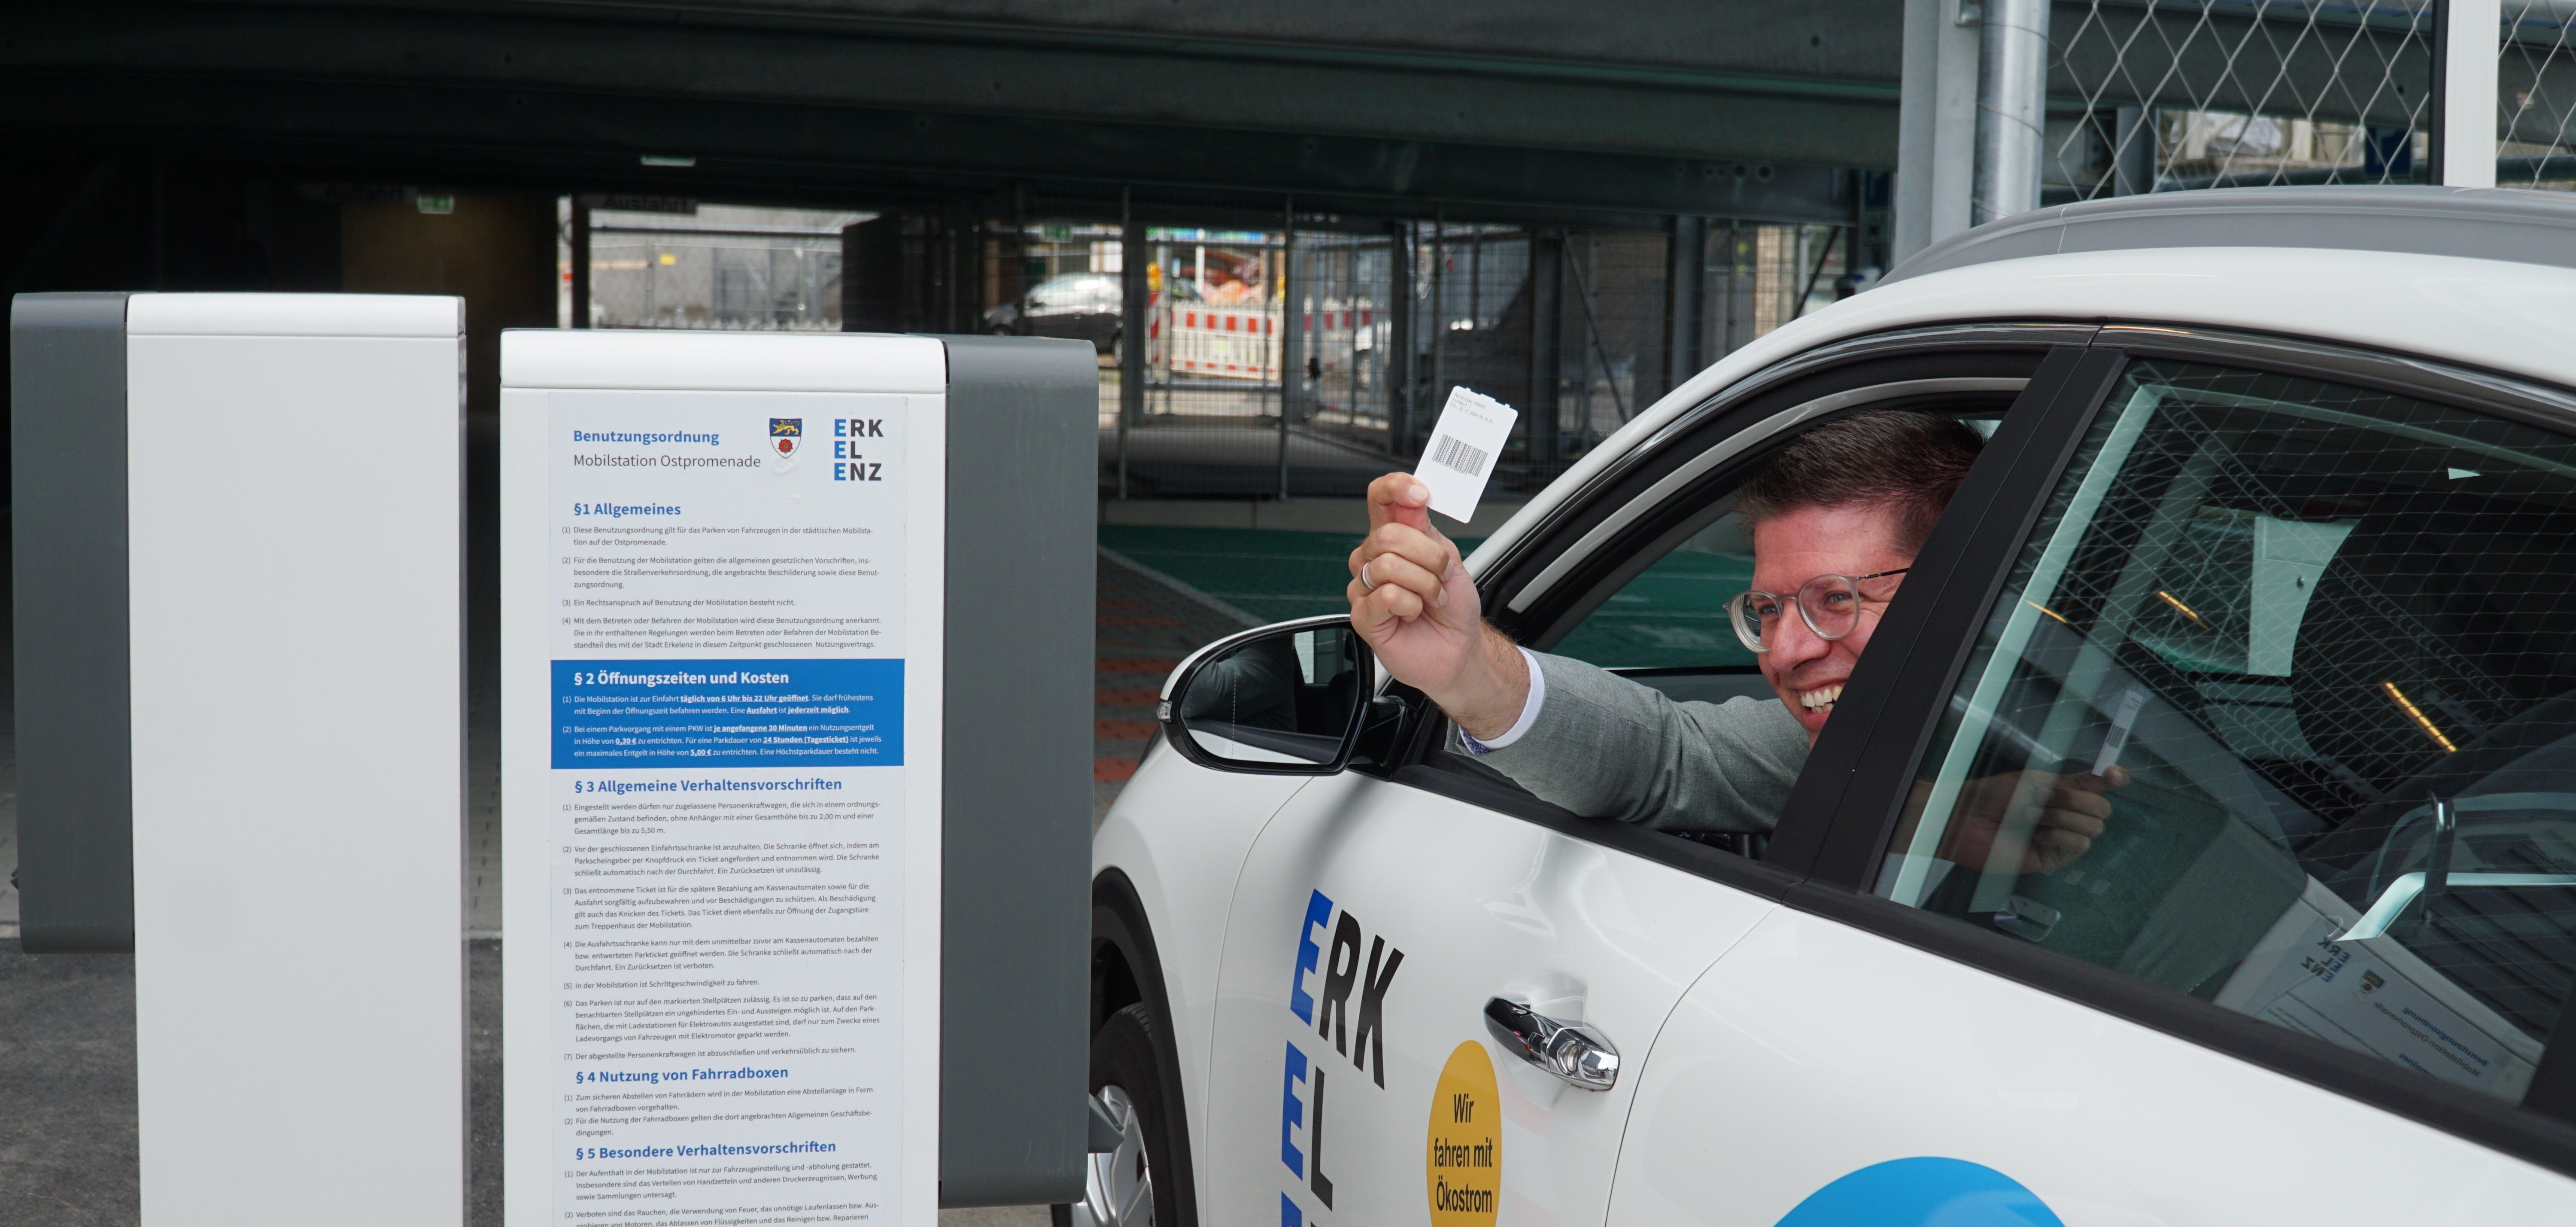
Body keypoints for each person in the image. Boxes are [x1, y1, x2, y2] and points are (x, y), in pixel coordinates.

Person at [1346, 410, 2119, 875]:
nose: (1783, 653)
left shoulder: (2119, 756)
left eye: (1836, 600)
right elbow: (1668, 757)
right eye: (1768, 609)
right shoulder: (1849, 735)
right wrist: (1465, 667)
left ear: (1968, 593)